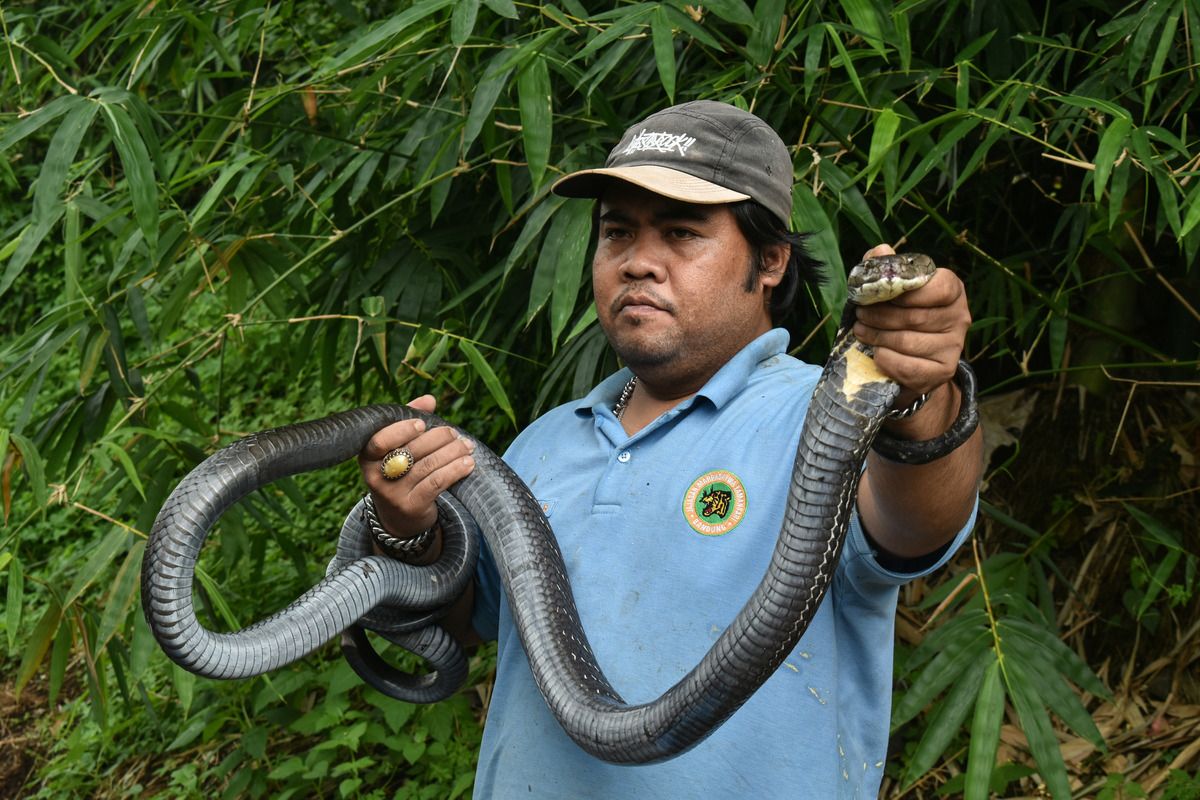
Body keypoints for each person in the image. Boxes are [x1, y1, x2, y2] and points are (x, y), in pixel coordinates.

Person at [355, 101, 983, 798]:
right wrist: (406, 532)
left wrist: (922, 394)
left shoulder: (828, 417)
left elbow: (920, 520)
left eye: (682, 234)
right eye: (617, 232)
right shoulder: (544, 442)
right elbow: (465, 627)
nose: (639, 264)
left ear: (770, 261)